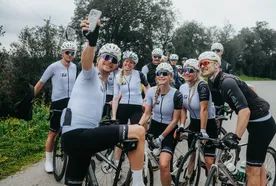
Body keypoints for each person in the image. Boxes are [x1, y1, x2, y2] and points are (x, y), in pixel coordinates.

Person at [60, 18, 146, 186]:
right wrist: (91, 42)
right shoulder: (90, 75)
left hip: (78, 139)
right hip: (77, 136)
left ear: (117, 65)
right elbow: (86, 61)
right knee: (139, 131)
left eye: (114, 60)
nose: (109, 61)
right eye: (106, 57)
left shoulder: (104, 84)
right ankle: (138, 183)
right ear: (98, 58)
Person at [198, 51, 276, 186]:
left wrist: (235, 137)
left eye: (205, 63)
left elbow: (244, 111)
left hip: (261, 125)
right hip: (257, 123)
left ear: (217, 65)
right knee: (257, 165)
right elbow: (250, 88)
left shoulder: (226, 82)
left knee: (251, 170)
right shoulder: (215, 81)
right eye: (200, 64)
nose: (202, 67)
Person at [34, 41, 77, 173]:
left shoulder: (75, 67)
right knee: (53, 132)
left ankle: (70, 153)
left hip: (71, 102)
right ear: (61, 53)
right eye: (67, 52)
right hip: (58, 102)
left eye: (73, 53)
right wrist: (30, 98)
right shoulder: (53, 67)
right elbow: (41, 82)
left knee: (71, 130)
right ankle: (48, 160)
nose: (70, 55)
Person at [138, 63, 182, 186]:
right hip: (154, 127)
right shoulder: (151, 91)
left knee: (163, 165)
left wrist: (162, 137)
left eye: (165, 74)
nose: (161, 76)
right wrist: (138, 126)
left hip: (169, 131)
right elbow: (147, 114)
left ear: (171, 77)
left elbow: (175, 120)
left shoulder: (176, 94)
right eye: (159, 73)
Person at [178, 59, 217, 175]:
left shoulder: (202, 86)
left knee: (209, 160)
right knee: (192, 154)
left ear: (197, 72)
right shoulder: (183, 87)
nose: (186, 73)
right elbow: (183, 108)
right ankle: (189, 178)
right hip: (194, 123)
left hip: (208, 124)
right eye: (184, 70)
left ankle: (212, 179)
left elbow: (203, 109)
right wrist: (181, 125)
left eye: (190, 70)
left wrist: (203, 130)